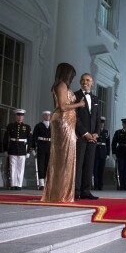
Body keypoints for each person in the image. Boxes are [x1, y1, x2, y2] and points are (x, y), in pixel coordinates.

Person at [41, 62, 85, 203]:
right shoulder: (61, 85)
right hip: (63, 123)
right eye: (72, 75)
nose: (72, 78)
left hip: (66, 123)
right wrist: (79, 104)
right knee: (64, 158)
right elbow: (62, 106)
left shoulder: (62, 86)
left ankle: (61, 192)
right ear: (67, 73)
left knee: (66, 157)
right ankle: (60, 194)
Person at [74, 73, 100, 200]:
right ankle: (76, 191)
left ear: (92, 83)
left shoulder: (95, 99)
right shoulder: (75, 95)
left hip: (92, 138)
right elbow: (75, 118)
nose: (85, 82)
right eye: (83, 80)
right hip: (80, 136)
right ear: (80, 82)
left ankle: (86, 191)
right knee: (78, 165)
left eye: (88, 80)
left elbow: (98, 118)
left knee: (89, 164)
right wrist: (85, 133)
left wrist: (96, 133)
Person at [3, 109, 32, 190]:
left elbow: (30, 140)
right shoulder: (10, 126)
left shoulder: (27, 127)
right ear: (16, 116)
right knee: (12, 167)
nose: (20, 117)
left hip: (22, 149)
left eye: (21, 115)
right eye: (18, 115)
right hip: (12, 148)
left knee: (21, 168)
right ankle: (13, 184)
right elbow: (6, 138)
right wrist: (5, 149)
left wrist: (28, 151)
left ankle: (19, 185)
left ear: (23, 117)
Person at [112, 118, 126, 190]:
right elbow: (114, 143)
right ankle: (120, 184)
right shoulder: (118, 132)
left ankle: (124, 184)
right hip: (120, 153)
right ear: (122, 124)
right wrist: (114, 152)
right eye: (125, 123)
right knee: (120, 169)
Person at [32, 110, 51, 190]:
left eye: (48, 115)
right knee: (41, 164)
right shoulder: (38, 125)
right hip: (41, 146)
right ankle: (41, 183)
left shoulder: (53, 125)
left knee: (48, 165)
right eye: (45, 115)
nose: (47, 116)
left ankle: (48, 183)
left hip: (50, 146)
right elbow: (34, 137)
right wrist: (33, 148)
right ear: (43, 116)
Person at [93, 116, 110, 190]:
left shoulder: (106, 132)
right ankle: (96, 185)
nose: (102, 124)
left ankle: (100, 185)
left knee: (101, 170)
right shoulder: (95, 131)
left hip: (103, 152)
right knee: (95, 170)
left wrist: (108, 153)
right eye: (100, 122)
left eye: (103, 123)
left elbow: (108, 143)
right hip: (96, 152)